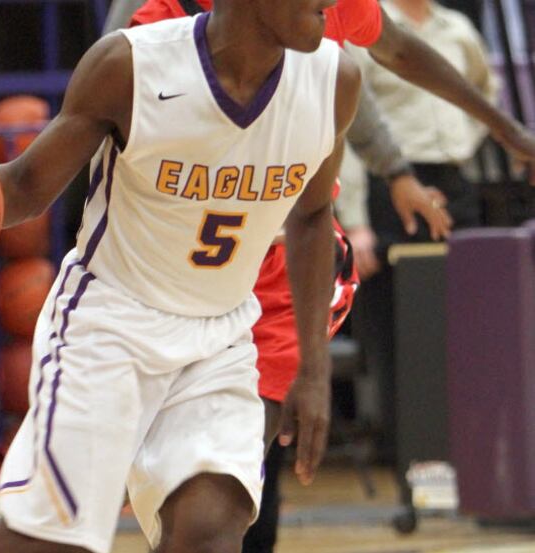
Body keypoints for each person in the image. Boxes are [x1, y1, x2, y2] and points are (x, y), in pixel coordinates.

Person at [0, 0, 363, 551]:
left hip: (220, 336)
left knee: (210, 531)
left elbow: (311, 215)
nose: (331, 3)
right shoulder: (132, 67)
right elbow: (25, 186)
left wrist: (313, 367)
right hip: (110, 325)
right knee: (52, 544)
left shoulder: (334, 79)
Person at [127, 0, 535, 551]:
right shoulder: (153, 27)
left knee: (227, 486)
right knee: (176, 498)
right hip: (168, 276)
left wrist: (503, 133)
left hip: (282, 272)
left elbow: (392, 58)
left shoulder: (329, 22)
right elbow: (97, 134)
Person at [349, 0, 501, 462]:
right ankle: (411, 461)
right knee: (401, 328)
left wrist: (463, 138)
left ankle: (468, 457)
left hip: (454, 183)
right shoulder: (366, 20)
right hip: (390, 183)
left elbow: (483, 91)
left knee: (465, 325)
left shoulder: (456, 27)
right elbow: (347, 124)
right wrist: (355, 221)